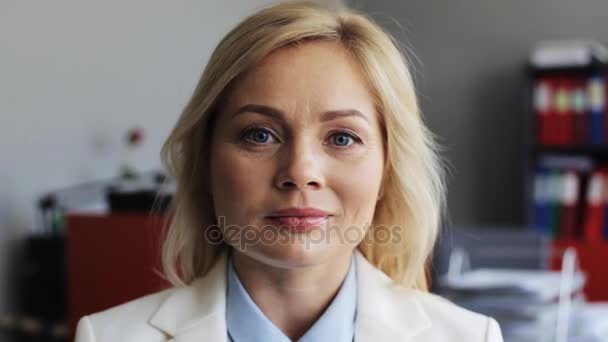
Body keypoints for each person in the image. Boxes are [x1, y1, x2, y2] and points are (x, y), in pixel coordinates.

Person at [75, 1, 503, 341]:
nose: (300, 171)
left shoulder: (470, 337)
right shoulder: (107, 337)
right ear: (205, 162)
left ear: (387, 171)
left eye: (341, 138)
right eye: (259, 135)